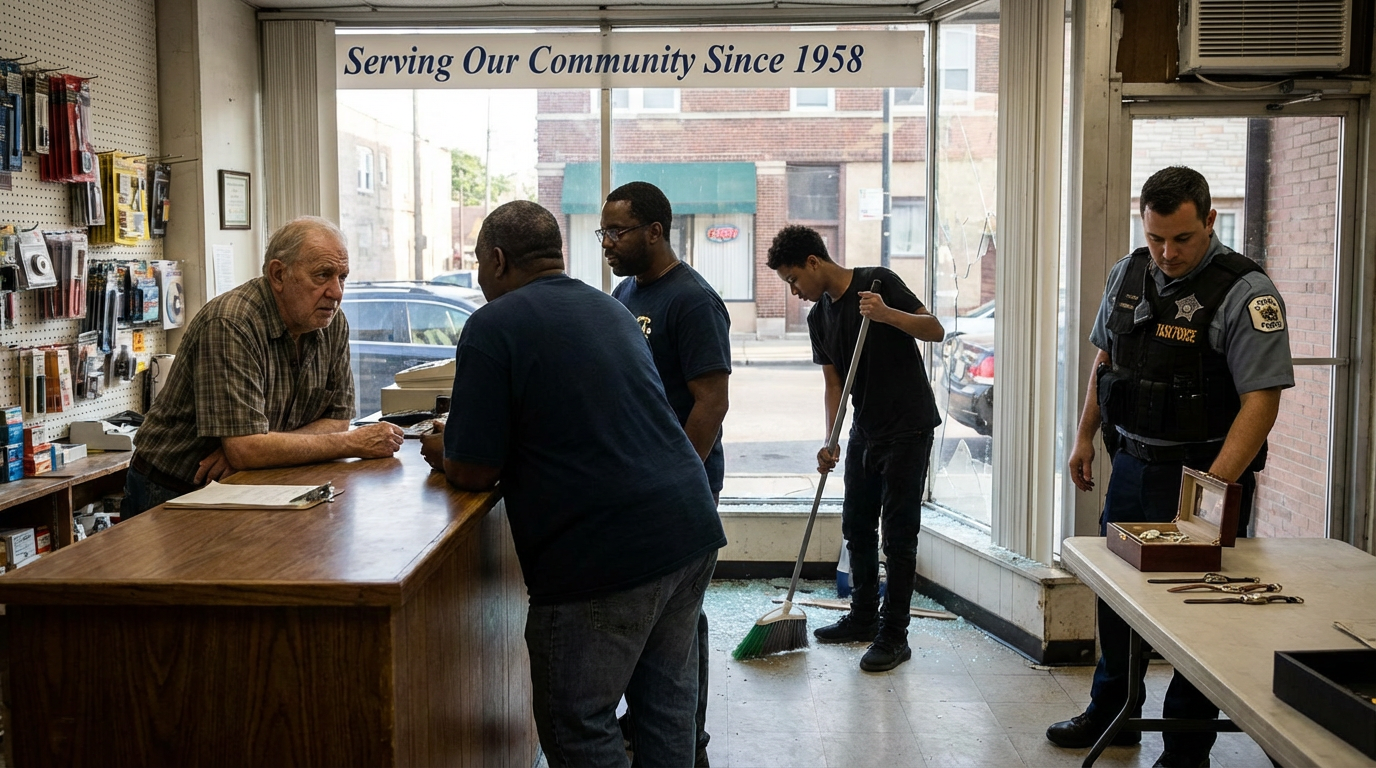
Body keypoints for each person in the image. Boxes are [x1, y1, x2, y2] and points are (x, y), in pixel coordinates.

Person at [419, 200, 726, 768]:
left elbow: (472, 469)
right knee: (665, 713)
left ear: (496, 259)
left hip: (601, 555)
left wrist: (442, 448)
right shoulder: (610, 309)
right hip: (688, 528)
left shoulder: (493, 325)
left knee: (579, 725)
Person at [1047, 166, 1293, 768]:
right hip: (1131, 463)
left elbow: (1261, 401)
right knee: (1116, 597)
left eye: (1181, 238)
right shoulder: (1130, 272)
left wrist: (1208, 491)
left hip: (1203, 475)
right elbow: (1107, 358)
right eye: (1156, 237)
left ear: (1209, 220)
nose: (1166, 252)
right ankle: (1114, 714)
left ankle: (1186, 748)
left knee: (1196, 613)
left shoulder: (1246, 293)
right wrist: (1084, 437)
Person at [123, 216, 404, 516]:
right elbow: (247, 449)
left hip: (252, 482)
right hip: (172, 488)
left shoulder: (331, 323)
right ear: (278, 274)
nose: (336, 292)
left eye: (343, 277)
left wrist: (261, 450)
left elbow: (336, 421)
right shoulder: (231, 323)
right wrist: (350, 444)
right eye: (322, 275)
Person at [766, 225, 945, 672]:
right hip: (866, 429)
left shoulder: (876, 282)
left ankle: (894, 635)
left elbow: (934, 330)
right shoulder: (817, 319)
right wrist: (832, 440)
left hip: (907, 426)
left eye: (793, 280)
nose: (795, 291)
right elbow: (833, 384)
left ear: (813, 262)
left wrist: (888, 315)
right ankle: (863, 617)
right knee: (856, 526)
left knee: (898, 534)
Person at [602, 181, 731, 766]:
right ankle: (651, 724)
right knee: (653, 617)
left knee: (681, 619)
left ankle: (688, 738)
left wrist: (676, 478)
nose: (607, 241)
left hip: (681, 485)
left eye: (618, 231)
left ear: (655, 230)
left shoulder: (692, 299)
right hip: (638, 487)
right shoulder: (625, 292)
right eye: (605, 230)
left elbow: (710, 402)